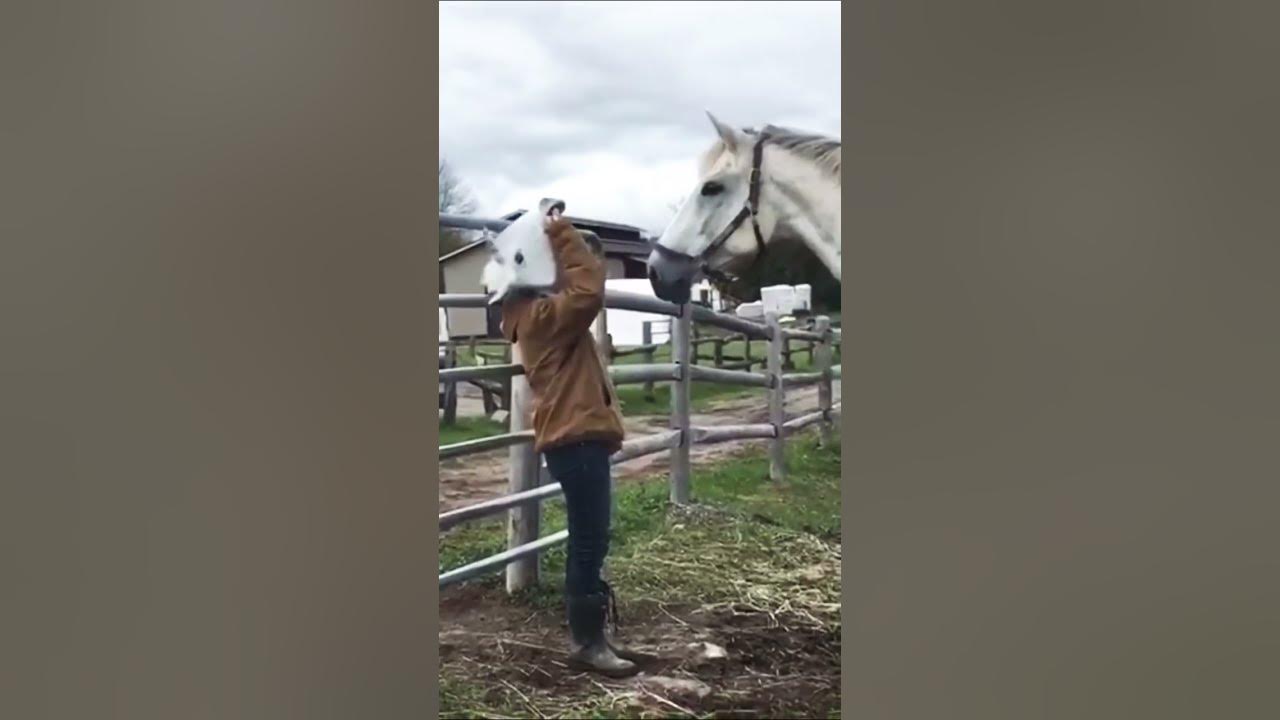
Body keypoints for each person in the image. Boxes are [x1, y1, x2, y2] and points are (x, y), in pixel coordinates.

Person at [499, 208, 647, 677]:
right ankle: (587, 642)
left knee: (590, 538)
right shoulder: (543, 316)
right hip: (576, 439)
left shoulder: (534, 313)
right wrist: (560, 232)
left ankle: (592, 635)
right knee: (588, 541)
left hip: (576, 437)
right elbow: (588, 292)